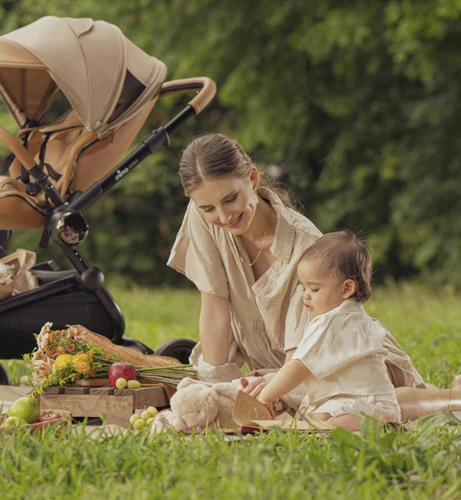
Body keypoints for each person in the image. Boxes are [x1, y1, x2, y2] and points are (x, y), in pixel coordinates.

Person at [168, 133, 461, 421]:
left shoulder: (306, 247)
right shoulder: (203, 214)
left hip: (333, 360)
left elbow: (305, 357)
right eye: (208, 208)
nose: (223, 216)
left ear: (253, 179)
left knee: (360, 405)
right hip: (284, 370)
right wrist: (214, 388)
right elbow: (214, 307)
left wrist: (269, 389)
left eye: (230, 199)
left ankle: (453, 400)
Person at [256, 231, 400, 430]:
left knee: (328, 421)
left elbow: (298, 366)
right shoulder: (354, 316)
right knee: (320, 418)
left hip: (362, 403)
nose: (305, 296)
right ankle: (372, 421)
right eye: (303, 287)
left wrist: (267, 396)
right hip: (359, 401)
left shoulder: (332, 322)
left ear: (346, 289)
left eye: (314, 289)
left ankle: (375, 423)